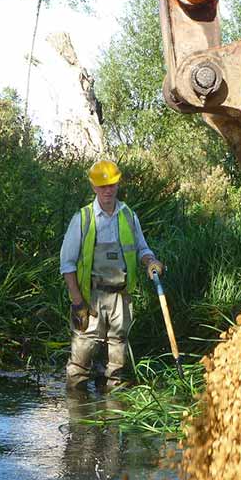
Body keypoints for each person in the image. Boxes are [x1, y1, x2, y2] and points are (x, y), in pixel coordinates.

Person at [59, 160, 164, 391]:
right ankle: (78, 419)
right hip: (90, 298)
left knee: (116, 364)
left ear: (117, 185)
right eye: (102, 186)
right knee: (80, 364)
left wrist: (151, 261)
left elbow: (142, 249)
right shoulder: (83, 219)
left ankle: (112, 415)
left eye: (112, 185)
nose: (107, 190)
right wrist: (78, 303)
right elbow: (67, 265)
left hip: (121, 298)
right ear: (94, 187)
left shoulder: (128, 216)